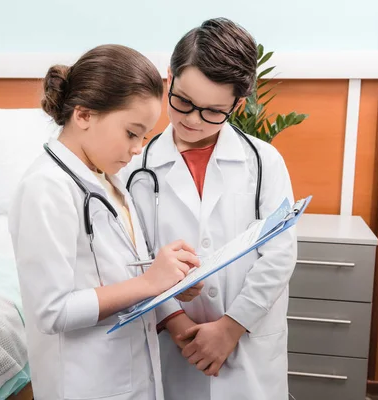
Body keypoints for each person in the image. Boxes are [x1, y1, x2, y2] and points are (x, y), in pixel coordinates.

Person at [8, 44, 202, 400]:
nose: (137, 149)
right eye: (132, 133)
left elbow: (120, 277)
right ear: (83, 115)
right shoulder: (45, 188)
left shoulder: (110, 182)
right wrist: (149, 282)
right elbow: (53, 311)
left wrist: (168, 282)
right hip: (86, 384)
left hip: (129, 379)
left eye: (143, 137)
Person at [123, 18, 297, 400]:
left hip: (247, 343)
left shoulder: (264, 162)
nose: (191, 120)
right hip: (175, 345)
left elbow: (279, 255)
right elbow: (135, 257)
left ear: (237, 103)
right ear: (169, 79)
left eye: (213, 111)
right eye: (183, 101)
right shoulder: (136, 168)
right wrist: (175, 321)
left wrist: (231, 327)